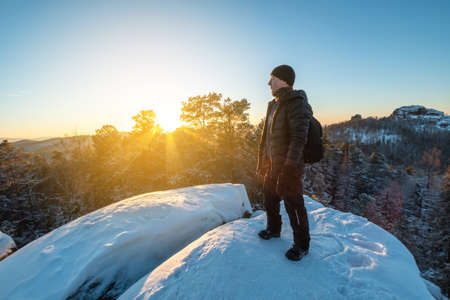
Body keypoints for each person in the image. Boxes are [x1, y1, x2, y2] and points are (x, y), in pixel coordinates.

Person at [256, 65, 312, 261]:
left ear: (284, 80)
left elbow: (299, 138)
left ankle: (302, 245)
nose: (269, 83)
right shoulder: (274, 104)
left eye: (272, 78)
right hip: (272, 164)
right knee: (269, 198)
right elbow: (267, 137)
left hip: (289, 167)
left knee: (294, 205)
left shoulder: (296, 102)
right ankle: (274, 229)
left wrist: (289, 168)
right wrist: (263, 160)